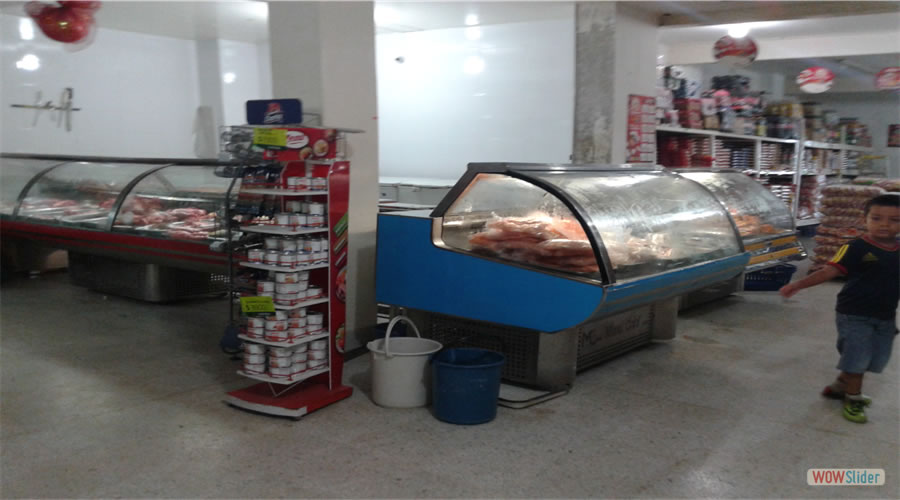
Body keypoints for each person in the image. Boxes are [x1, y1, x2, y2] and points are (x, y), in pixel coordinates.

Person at [779, 194, 899, 423]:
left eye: (894, 220)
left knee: (874, 358)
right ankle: (853, 398)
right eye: (877, 218)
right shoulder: (855, 247)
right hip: (854, 314)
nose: (885, 224)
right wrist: (798, 285)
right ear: (865, 220)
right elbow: (829, 271)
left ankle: (838, 387)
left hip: (885, 315)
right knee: (857, 357)